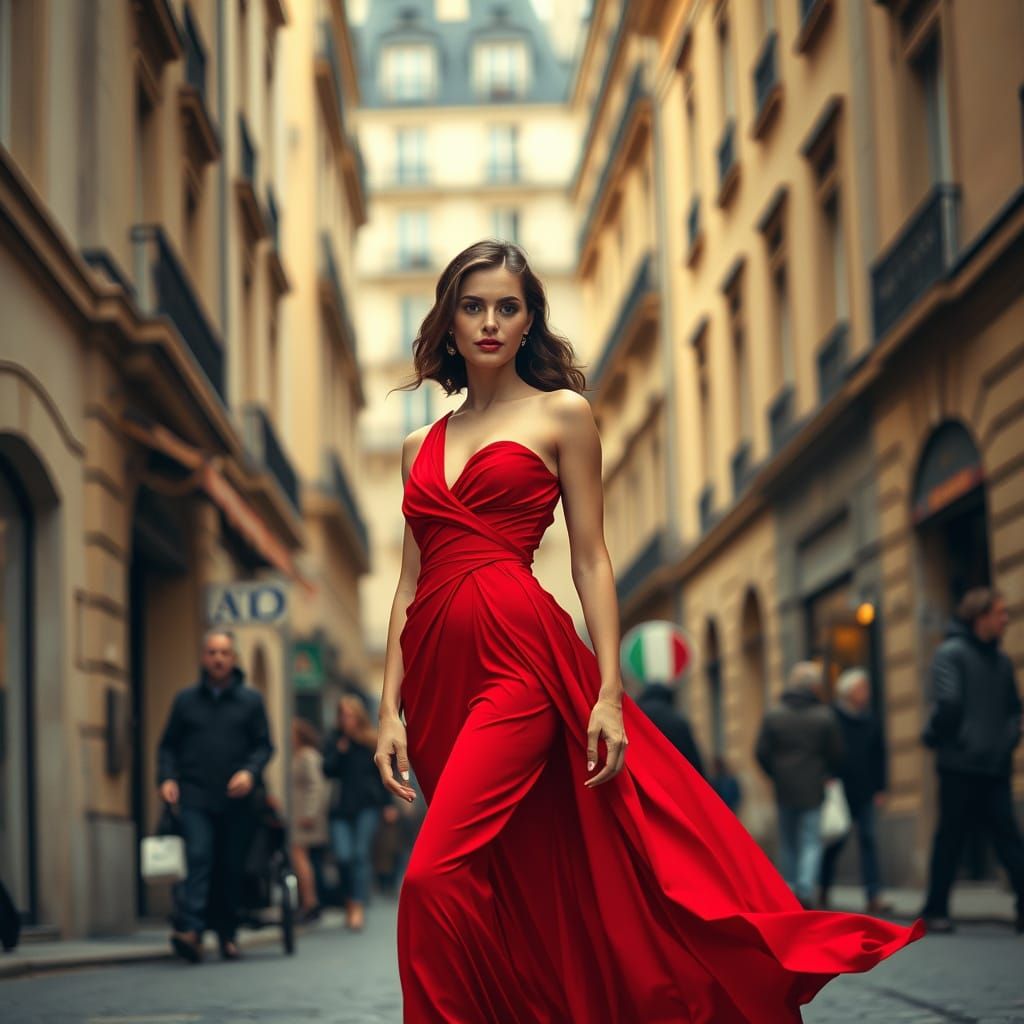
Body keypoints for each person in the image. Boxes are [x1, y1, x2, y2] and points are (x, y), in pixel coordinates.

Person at [374, 240, 922, 1023]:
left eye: (508, 306)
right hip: (435, 680)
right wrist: (389, 708)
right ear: (449, 322)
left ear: (530, 321)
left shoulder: (563, 413)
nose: (490, 321)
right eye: (474, 306)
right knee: (509, 878)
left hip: (520, 665)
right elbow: (408, 583)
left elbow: (593, 559)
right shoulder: (413, 448)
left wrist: (606, 692)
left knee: (432, 874)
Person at [156, 630, 274, 963]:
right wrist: (166, 777)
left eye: (224, 652)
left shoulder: (251, 701)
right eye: (211, 652)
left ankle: (227, 933)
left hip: (237, 800)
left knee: (230, 866)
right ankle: (192, 931)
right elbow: (168, 746)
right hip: (195, 795)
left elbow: (265, 746)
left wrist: (250, 772)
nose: (218, 658)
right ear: (203, 658)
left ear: (233, 659)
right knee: (199, 857)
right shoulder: (185, 701)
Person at [920, 587, 1024, 934]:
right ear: (980, 616)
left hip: (985, 764)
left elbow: (1013, 712)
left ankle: (937, 910)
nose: (1005, 619)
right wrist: (951, 737)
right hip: (963, 765)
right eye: (999, 613)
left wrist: (1004, 743)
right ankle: (936, 908)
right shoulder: (953, 653)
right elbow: (951, 706)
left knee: (996, 837)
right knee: (960, 836)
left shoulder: (1000, 660)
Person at [755, 661, 844, 909]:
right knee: (810, 840)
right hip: (814, 787)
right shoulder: (824, 716)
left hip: (784, 788)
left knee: (788, 841)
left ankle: (790, 888)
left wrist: (776, 774)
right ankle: (805, 889)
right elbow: (836, 753)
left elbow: (761, 752)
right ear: (814, 686)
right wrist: (825, 773)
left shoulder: (774, 716)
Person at [818, 667, 892, 915]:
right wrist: (827, 778)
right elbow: (825, 752)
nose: (866, 693)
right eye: (861, 688)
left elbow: (879, 755)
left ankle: (873, 895)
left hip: (866, 789)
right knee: (835, 842)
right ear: (848, 692)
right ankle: (824, 887)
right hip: (839, 789)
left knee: (869, 840)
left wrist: (881, 788)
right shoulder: (831, 717)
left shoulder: (870, 719)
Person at [322, 694, 390, 931]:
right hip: (340, 808)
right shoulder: (334, 741)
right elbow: (326, 771)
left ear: (359, 716)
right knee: (343, 856)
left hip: (367, 807)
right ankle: (349, 901)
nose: (346, 719)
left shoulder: (370, 741)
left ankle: (358, 906)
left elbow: (383, 774)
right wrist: (339, 752)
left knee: (360, 855)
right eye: (343, 715)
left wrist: (387, 804)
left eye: (350, 715)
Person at [289, 718, 329, 924]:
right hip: (299, 815)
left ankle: (310, 902)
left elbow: (316, 786)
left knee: (300, 857)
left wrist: (310, 813)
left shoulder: (308, 756)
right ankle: (309, 902)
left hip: (305, 817)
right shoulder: (297, 756)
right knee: (303, 858)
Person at [635, 681, 705, 775]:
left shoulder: (637, 717)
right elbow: (693, 761)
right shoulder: (677, 720)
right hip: (673, 780)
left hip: (644, 778)